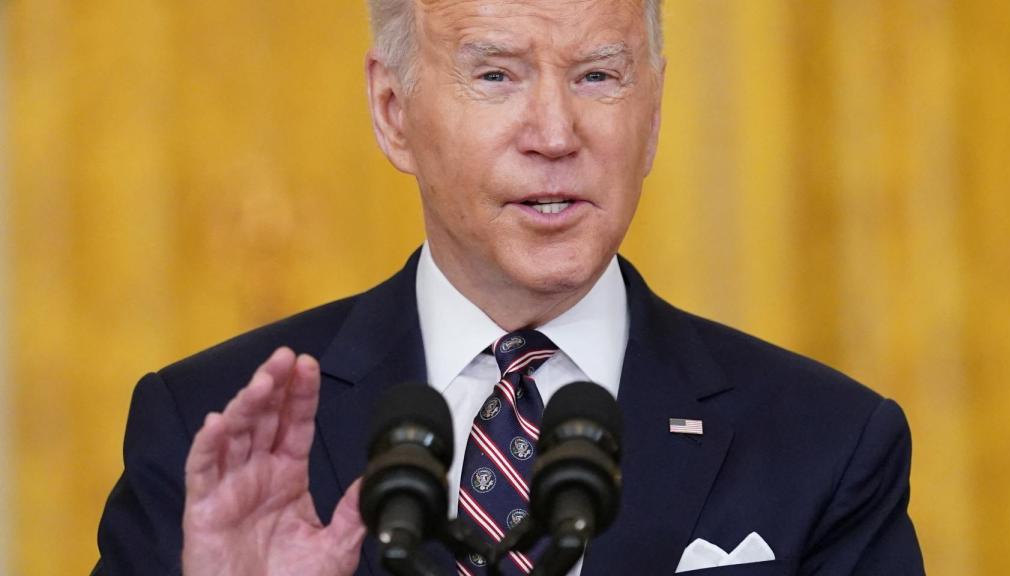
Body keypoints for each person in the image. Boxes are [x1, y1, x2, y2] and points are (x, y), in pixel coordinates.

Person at [93, 1, 925, 575]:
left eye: (599, 76)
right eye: (497, 76)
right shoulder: (214, 437)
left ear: (657, 111)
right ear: (392, 111)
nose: (556, 133)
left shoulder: (828, 444)